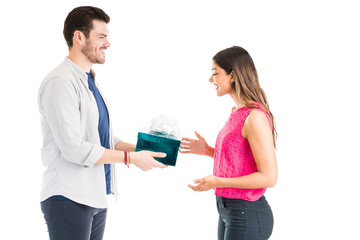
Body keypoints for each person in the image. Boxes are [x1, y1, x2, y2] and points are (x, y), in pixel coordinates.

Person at [38, 6, 167, 240]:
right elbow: (74, 148)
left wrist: (141, 149)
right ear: (79, 37)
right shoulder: (61, 82)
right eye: (101, 36)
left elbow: (100, 138)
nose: (108, 43)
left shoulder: (88, 80)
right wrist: (132, 159)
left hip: (94, 197)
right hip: (68, 198)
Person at [180, 46, 278, 240]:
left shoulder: (254, 116)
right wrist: (208, 150)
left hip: (247, 212)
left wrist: (218, 181)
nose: (210, 79)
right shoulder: (237, 111)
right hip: (228, 209)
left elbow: (269, 177)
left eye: (215, 73)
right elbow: (239, 160)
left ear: (232, 75)